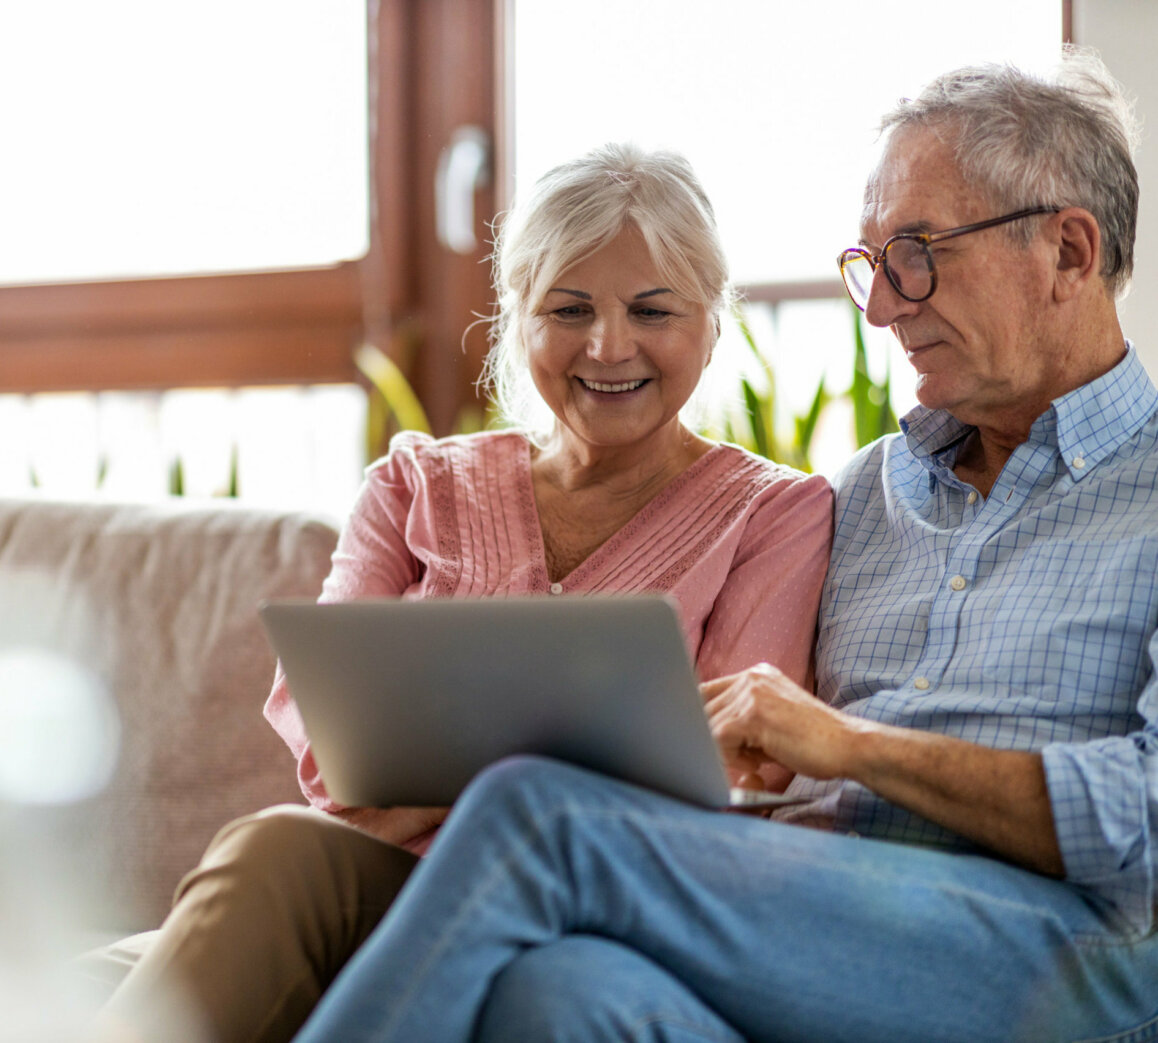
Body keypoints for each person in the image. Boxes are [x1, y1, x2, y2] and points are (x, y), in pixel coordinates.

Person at [289, 48, 1158, 1043]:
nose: (879, 303)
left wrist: (848, 745)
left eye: (917, 251)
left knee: (540, 812)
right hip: (805, 912)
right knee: (558, 992)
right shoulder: (865, 491)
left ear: (1070, 252)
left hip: (1052, 946)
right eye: (871, 262)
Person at [92, 143, 833, 1043]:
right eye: (568, 309)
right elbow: (337, 762)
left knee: (275, 854)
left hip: (595, 911)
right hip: (391, 887)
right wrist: (549, 767)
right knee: (278, 845)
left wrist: (443, 785)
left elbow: (723, 774)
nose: (608, 345)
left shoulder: (776, 513)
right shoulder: (412, 483)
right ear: (517, 318)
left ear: (713, 323)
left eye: (652, 310)